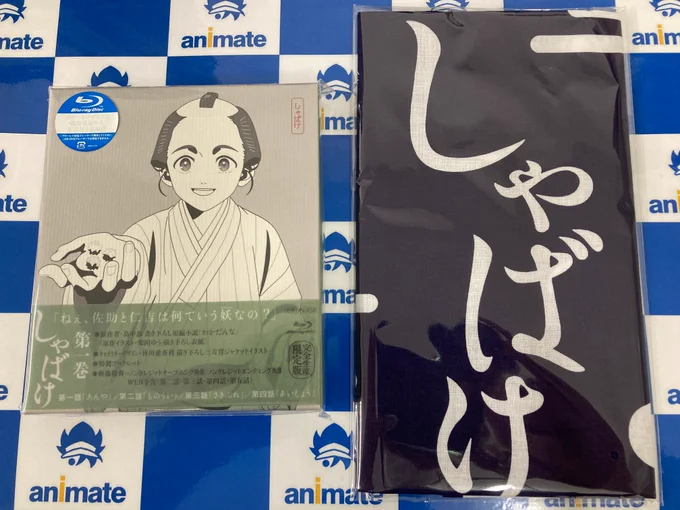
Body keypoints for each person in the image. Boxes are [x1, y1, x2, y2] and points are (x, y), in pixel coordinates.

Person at [40, 92, 301, 305]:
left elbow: (285, 319)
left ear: (245, 171)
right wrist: (99, 295)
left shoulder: (261, 234)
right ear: (165, 172)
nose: (203, 178)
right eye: (185, 162)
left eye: (223, 162)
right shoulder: (143, 235)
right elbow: (115, 317)